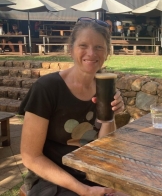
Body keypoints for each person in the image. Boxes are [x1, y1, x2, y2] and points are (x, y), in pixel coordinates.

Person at [19, 18, 126, 196]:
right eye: (83, 45)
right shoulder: (47, 88)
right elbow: (31, 157)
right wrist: (82, 189)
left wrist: (110, 115)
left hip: (92, 173)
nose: (91, 53)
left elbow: (104, 148)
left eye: (99, 47)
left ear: (107, 53)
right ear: (71, 49)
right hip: (52, 180)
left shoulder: (105, 87)